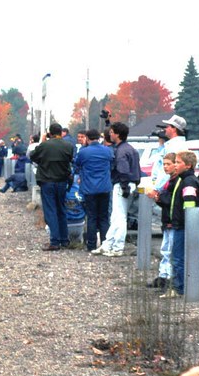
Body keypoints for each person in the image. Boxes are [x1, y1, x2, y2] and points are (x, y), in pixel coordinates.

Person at [93, 121, 142, 257]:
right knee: (116, 216)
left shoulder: (120, 151)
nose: (110, 134)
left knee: (119, 217)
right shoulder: (131, 149)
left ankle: (117, 247)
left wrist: (124, 185)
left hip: (122, 184)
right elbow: (136, 169)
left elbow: (123, 169)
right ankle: (108, 244)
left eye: (112, 132)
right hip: (129, 183)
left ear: (117, 134)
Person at [30, 122, 75, 251]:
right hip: (62, 181)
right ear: (61, 132)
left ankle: (54, 241)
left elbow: (33, 156)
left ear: (50, 133)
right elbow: (70, 160)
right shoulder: (68, 146)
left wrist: (42, 141)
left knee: (51, 211)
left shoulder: (44, 145)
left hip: (47, 181)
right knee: (61, 209)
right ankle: (64, 240)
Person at [163, 150, 199, 298]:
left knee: (178, 258)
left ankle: (179, 288)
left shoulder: (189, 181)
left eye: (178, 162)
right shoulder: (182, 179)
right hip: (179, 224)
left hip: (184, 225)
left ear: (188, 165)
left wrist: (186, 222)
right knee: (177, 257)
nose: (175, 165)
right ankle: (179, 286)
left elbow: (190, 205)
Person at [74, 128, 114, 252]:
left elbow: (76, 165)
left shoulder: (83, 152)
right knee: (104, 217)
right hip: (104, 187)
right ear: (98, 137)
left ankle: (91, 245)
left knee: (91, 217)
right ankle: (105, 244)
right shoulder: (107, 151)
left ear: (87, 138)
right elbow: (112, 163)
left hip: (89, 188)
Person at [146, 152, 178, 290]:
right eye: (164, 164)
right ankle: (163, 275)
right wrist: (158, 198)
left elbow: (173, 201)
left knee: (170, 250)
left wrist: (158, 197)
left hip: (173, 220)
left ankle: (169, 278)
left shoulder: (177, 181)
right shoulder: (169, 180)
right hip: (167, 220)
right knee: (165, 249)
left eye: (168, 164)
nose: (165, 167)